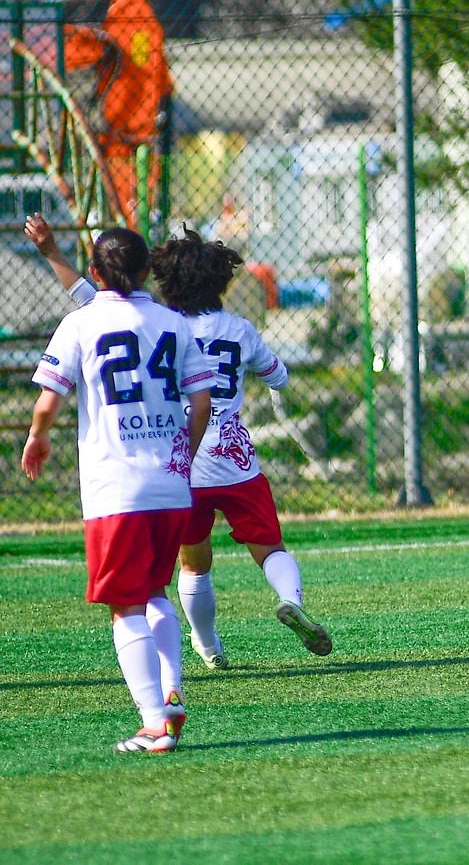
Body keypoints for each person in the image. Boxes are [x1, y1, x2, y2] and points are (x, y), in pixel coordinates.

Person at [27, 215, 332, 668]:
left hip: (179, 461)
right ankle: (290, 598)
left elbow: (88, 299)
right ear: (221, 281)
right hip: (234, 460)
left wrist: (52, 252)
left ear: (163, 278)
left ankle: (208, 646)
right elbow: (279, 377)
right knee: (270, 546)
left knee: (194, 564)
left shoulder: (159, 322)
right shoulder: (237, 329)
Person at [23, 224, 214, 753]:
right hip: (170, 485)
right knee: (154, 591)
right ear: (147, 270)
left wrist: (38, 436)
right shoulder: (174, 323)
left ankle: (154, 724)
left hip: (117, 490)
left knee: (125, 605)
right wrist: (184, 452)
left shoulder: (81, 323)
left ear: (96, 271)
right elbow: (201, 402)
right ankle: (171, 692)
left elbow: (48, 401)